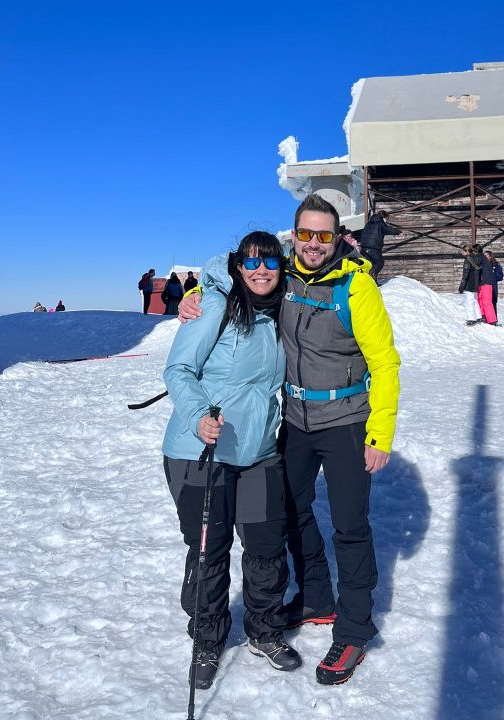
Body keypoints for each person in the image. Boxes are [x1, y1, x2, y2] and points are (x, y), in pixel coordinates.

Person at [180, 193, 401, 686]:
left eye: (324, 235)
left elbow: (386, 363)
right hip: (296, 421)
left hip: (346, 421)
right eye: (305, 234)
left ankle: (354, 630)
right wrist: (195, 291)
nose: (313, 244)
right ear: (294, 236)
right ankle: (317, 598)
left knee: (349, 527)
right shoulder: (284, 276)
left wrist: (380, 434)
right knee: (290, 511)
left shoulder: (357, 287)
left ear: (337, 238)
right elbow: (232, 266)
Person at [163, 231, 302, 691]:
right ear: (237, 266)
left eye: (271, 263)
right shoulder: (214, 306)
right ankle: (206, 639)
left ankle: (264, 631)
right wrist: (199, 417)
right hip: (200, 452)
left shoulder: (281, 311)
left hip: (258, 452)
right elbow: (178, 369)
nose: (261, 271)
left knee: (265, 546)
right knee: (210, 550)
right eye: (251, 262)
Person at [358, 210, 400, 279]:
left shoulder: (369, 223)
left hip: (364, 247)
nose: (386, 221)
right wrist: (398, 232)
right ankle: (372, 273)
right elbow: (388, 229)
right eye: (386, 219)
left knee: (371, 264)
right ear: (384, 217)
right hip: (373, 247)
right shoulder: (380, 223)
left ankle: (372, 281)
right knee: (379, 262)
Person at [471, 243, 497, 325]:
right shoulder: (482, 258)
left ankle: (491, 320)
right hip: (482, 282)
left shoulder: (481, 257)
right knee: (480, 300)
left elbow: (476, 267)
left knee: (486, 301)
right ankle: (483, 316)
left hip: (486, 282)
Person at [458, 245, 482, 325]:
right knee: (474, 300)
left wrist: (462, 285)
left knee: (469, 301)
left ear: (467, 251)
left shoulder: (468, 260)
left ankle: (471, 319)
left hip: (470, 283)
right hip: (476, 282)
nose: (461, 252)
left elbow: (466, 274)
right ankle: (478, 316)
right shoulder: (476, 258)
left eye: (463, 251)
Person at [484, 251, 503, 321]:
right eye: (484, 255)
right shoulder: (481, 265)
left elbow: (500, 277)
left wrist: (491, 274)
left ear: (490, 257)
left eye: (486, 255)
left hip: (493, 287)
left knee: (493, 303)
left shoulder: (496, 266)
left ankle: (494, 320)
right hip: (484, 287)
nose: (484, 257)